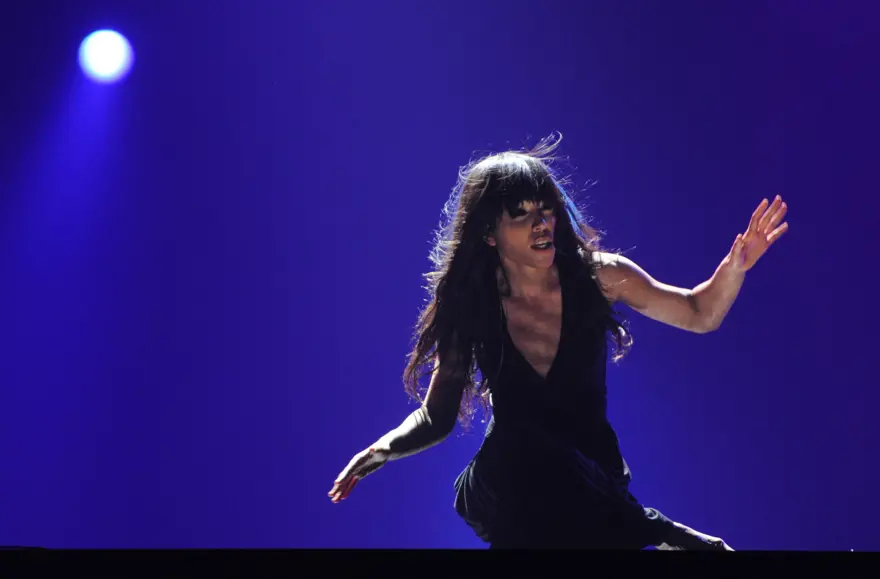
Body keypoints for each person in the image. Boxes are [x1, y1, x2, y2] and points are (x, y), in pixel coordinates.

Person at [327, 134, 788, 550]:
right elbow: (436, 416)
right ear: (489, 234)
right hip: (507, 480)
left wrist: (735, 268)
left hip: (592, 482)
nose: (541, 223)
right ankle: (658, 531)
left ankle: (632, 527)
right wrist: (380, 450)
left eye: (544, 209)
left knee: (552, 477)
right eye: (521, 214)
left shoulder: (599, 277)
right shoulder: (473, 305)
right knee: (521, 438)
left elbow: (699, 313)